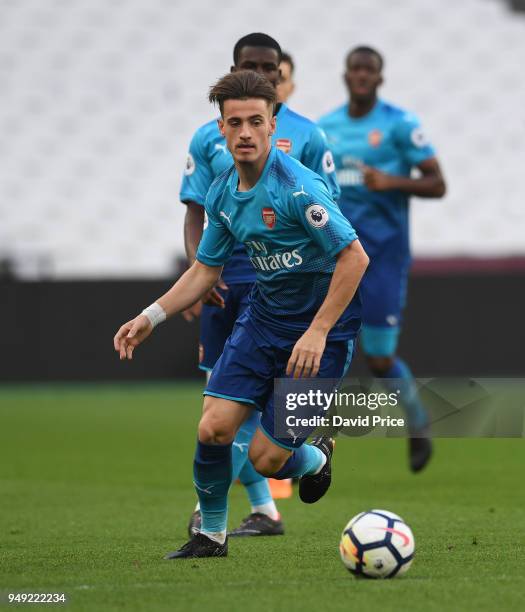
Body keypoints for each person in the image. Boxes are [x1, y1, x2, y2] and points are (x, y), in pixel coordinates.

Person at [114, 70, 368, 558]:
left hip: (320, 338)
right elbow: (204, 271)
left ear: (273, 124)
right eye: (235, 123)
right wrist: (151, 316)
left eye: (256, 121)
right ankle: (211, 535)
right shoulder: (222, 192)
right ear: (222, 129)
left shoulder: (297, 188)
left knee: (269, 458)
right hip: (264, 323)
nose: (246, 132)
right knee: (213, 427)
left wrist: (318, 331)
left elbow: (355, 257)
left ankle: (314, 459)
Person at [180, 33, 340, 537]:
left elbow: (331, 220)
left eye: (271, 68)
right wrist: (198, 273)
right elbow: (196, 212)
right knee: (219, 409)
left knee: (253, 419)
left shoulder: (307, 137)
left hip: (284, 288)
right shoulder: (210, 135)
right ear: (235, 69)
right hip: (226, 282)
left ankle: (255, 504)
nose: (264, 74)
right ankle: (260, 509)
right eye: (252, 66)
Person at [318, 46, 446, 471]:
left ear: (379, 78)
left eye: (368, 70)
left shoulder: (399, 125)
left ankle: (417, 423)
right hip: (336, 258)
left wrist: (390, 181)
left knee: (378, 358)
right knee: (325, 348)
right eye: (355, 68)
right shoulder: (326, 128)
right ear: (345, 75)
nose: (361, 75)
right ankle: (311, 448)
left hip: (385, 256)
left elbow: (437, 183)